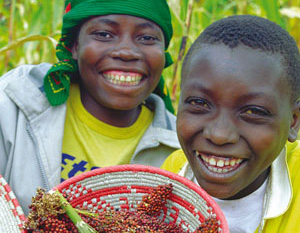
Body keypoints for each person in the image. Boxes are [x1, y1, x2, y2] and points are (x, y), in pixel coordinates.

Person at [0, 0, 180, 215]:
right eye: (104, 34)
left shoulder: (180, 147)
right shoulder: (15, 102)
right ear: (75, 46)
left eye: (147, 38)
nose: (126, 52)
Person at [161, 15, 300, 233]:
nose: (219, 135)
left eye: (254, 111)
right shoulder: (173, 175)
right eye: (199, 103)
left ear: (293, 121)